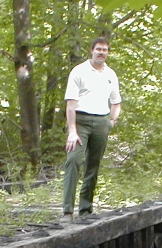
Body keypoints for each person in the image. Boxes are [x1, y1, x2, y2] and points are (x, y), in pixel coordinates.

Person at [61, 37, 122, 223]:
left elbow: (116, 102)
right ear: (92, 51)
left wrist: (111, 120)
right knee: (73, 160)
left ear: (108, 52)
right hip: (80, 120)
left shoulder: (111, 75)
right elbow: (70, 104)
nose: (101, 52)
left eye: (104, 50)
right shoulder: (79, 71)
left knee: (93, 166)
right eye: (98, 49)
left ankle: (85, 210)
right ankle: (67, 211)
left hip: (102, 121)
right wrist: (72, 131)